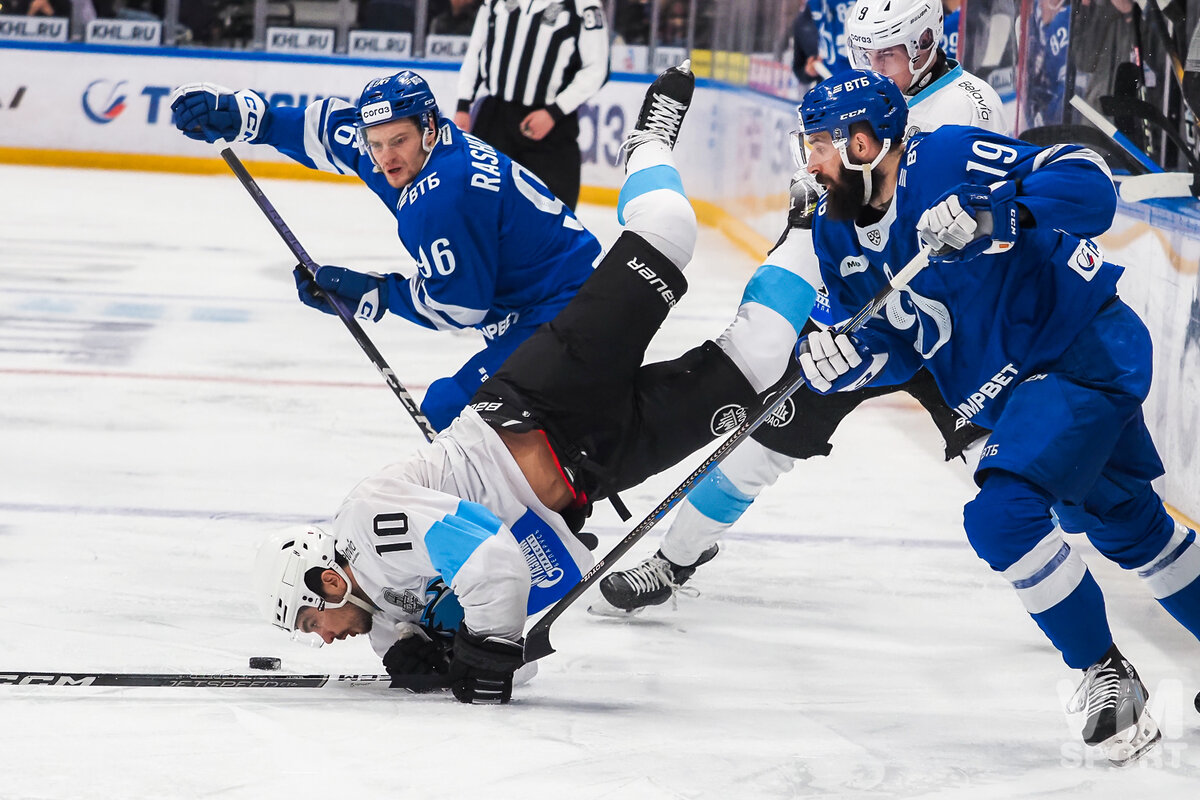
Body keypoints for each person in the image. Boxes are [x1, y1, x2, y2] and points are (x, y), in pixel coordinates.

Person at [252, 63, 796, 705]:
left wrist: (481, 652)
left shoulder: (371, 521)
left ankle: (647, 143)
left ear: (328, 582)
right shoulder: (384, 610)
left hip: (541, 397)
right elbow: (501, 644)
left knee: (669, 233)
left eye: (313, 622)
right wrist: (432, 658)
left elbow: (491, 562)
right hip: (591, 467)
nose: (323, 639)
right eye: (377, 145)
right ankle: (810, 231)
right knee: (758, 368)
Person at [791, 68, 1200, 765]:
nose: (811, 161)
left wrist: (998, 212)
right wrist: (846, 360)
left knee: (1000, 516)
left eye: (823, 144)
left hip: (1081, 351)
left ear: (866, 143)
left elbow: (1090, 187)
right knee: (1130, 526)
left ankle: (1107, 677)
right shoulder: (836, 234)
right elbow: (896, 343)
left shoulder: (946, 157)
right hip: (1022, 391)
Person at [599, 0, 1007, 614]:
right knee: (767, 432)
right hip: (861, 318)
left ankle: (1078, 585)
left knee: (1000, 456)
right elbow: (830, 206)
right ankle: (674, 558)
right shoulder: (853, 98)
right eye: (865, 53)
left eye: (889, 54)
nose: (875, 66)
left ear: (927, 42)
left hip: (947, 320)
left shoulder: (966, 104)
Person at [168, 71, 601, 432]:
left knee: (453, 411)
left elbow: (459, 307)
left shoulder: (444, 196)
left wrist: (375, 292)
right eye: (375, 143)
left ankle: (538, 510)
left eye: (397, 141)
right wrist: (239, 114)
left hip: (567, 314)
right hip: (546, 303)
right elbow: (324, 131)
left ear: (428, 128)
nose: (385, 157)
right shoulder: (414, 151)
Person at [453, 0, 610, 210]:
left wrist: (554, 112)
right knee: (480, 209)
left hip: (551, 128)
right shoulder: (494, 2)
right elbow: (475, 52)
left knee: (554, 215)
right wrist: (463, 104)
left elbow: (597, 68)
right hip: (495, 120)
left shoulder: (583, 5)